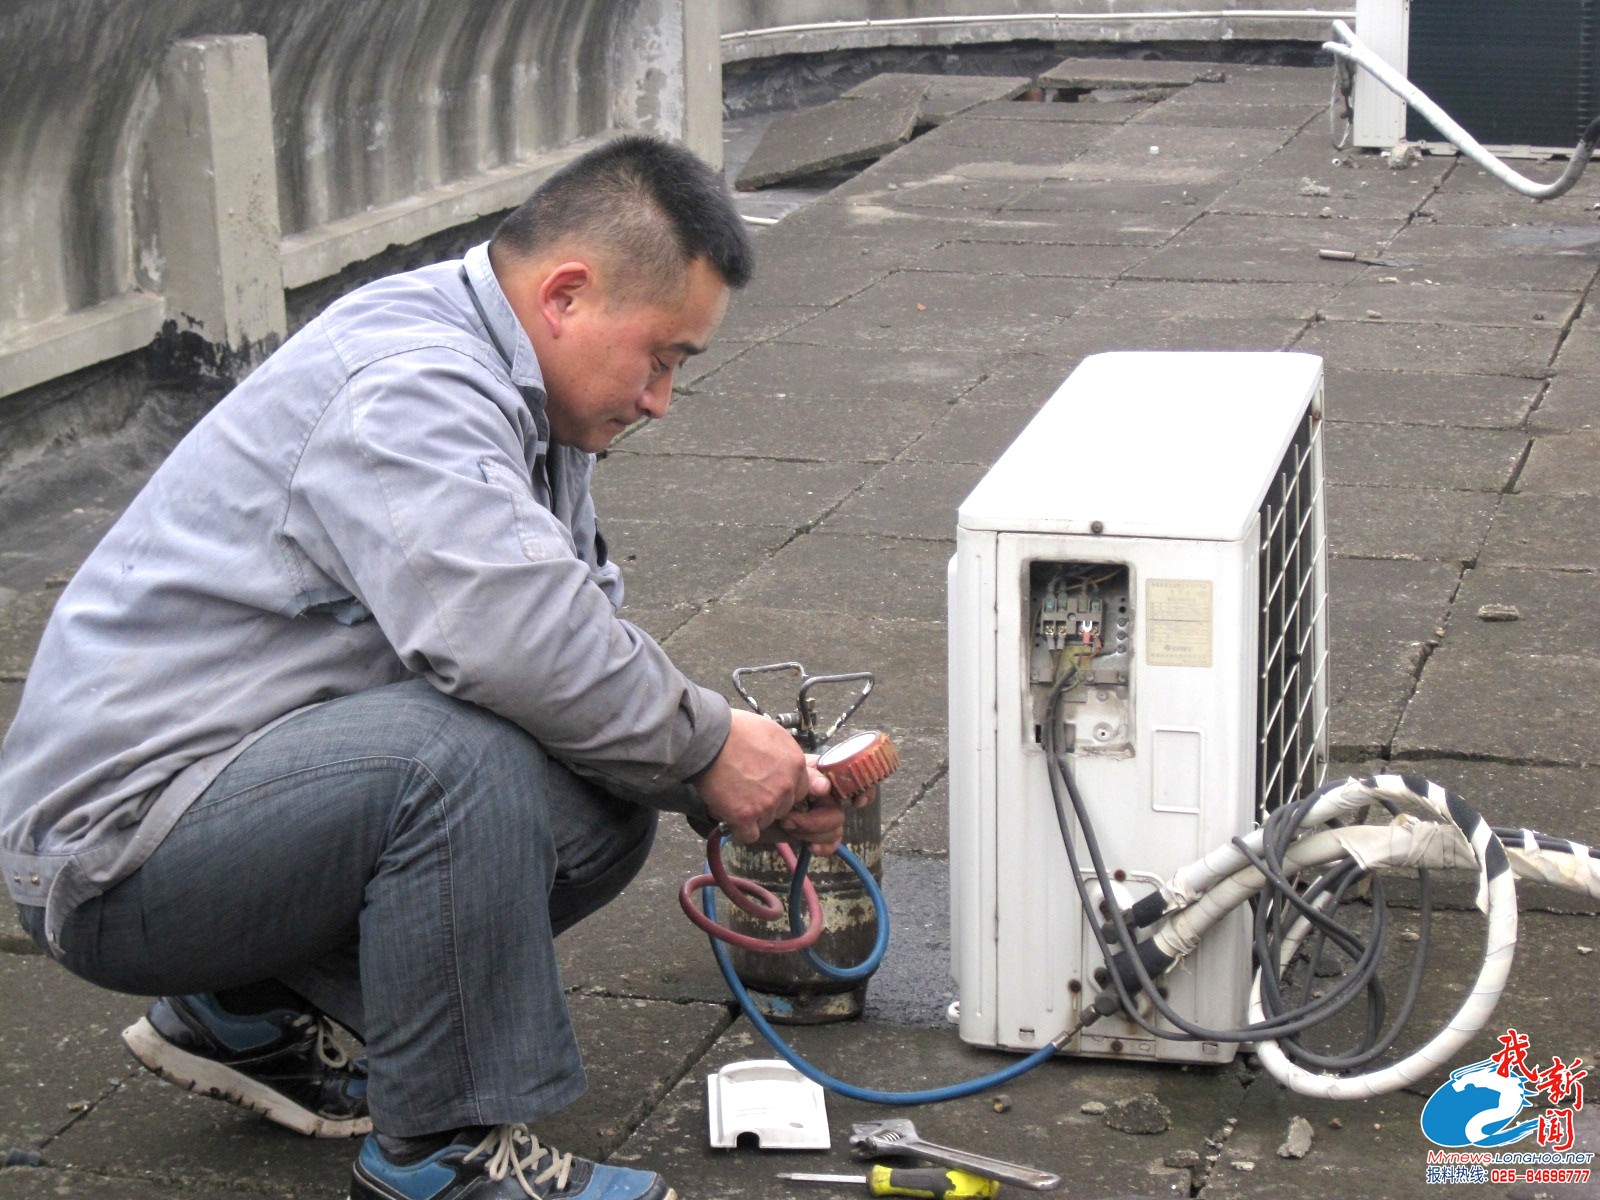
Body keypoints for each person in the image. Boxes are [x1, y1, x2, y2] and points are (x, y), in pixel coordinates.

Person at [0, 135, 859, 1200]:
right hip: (112, 854)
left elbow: (577, 634)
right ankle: (443, 1154)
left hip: (226, 794)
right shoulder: (408, 384)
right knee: (457, 760)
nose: (660, 399)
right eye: (663, 356)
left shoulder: (518, 395)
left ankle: (245, 1013)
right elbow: (507, 640)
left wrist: (710, 768)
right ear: (566, 296)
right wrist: (710, 745)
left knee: (600, 800)